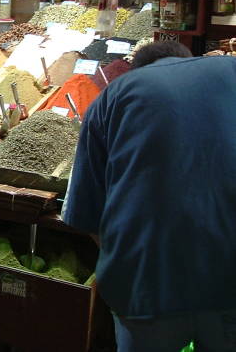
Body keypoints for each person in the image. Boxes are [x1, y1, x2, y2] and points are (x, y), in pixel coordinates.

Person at [63, 41, 236, 352]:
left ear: (136, 70)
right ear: (189, 61)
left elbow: (86, 214)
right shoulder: (230, 70)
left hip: (146, 284)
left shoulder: (113, 96)